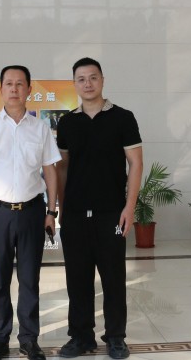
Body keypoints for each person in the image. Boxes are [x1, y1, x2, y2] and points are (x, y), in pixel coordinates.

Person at [0, 65, 60, 360]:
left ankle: (29, 339)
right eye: (8, 83)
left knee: (30, 279)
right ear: (1, 88)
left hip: (32, 211)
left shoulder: (40, 128)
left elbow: (50, 170)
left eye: (20, 84)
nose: (14, 89)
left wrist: (51, 211)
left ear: (29, 90)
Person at [55, 57, 144, 360]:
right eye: (81, 79)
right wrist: (62, 209)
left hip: (112, 214)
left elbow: (135, 164)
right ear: (74, 84)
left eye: (93, 77)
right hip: (75, 215)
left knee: (113, 278)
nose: (88, 84)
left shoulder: (123, 118)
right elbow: (62, 168)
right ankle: (81, 337)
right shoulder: (67, 122)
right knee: (77, 279)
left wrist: (129, 207)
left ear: (102, 80)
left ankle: (115, 338)